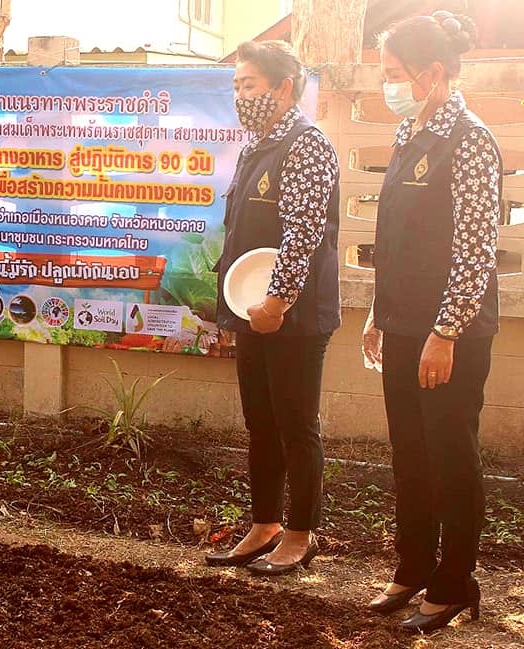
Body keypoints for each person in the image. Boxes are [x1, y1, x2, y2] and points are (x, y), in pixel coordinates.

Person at [362, 11, 501, 633]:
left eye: (395, 74)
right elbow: (392, 236)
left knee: (450, 456)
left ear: (432, 73)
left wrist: (444, 334)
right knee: (410, 455)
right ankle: (412, 568)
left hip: (452, 334)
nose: (387, 85)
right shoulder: (408, 134)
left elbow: (475, 252)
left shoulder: (469, 141)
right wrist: (377, 314)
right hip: (402, 325)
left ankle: (453, 583)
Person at [205, 40, 340, 576]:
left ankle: (301, 534)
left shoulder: (308, 145)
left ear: (282, 89)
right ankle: (265, 525)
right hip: (252, 310)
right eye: (236, 86)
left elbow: (302, 232)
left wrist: (278, 302)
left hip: (293, 316)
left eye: (250, 85)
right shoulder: (255, 146)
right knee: (260, 422)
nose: (241, 95)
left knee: (295, 424)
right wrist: (242, 309)